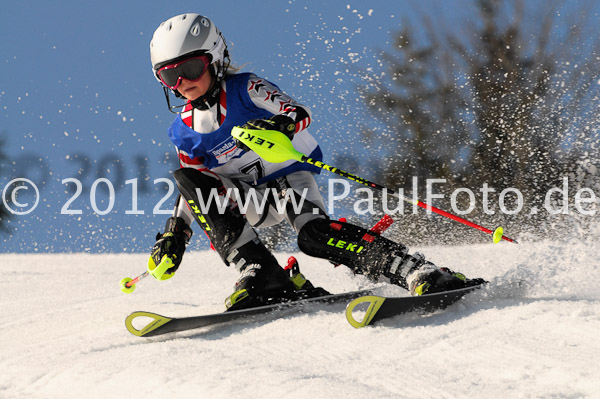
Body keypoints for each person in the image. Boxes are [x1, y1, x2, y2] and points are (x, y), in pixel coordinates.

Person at [148, 13, 483, 310]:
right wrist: (176, 233)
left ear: (216, 59)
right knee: (188, 178)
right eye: (168, 77)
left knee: (314, 236)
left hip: (289, 181)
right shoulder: (183, 132)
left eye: (189, 69)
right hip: (249, 197)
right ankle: (263, 274)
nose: (181, 83)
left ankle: (414, 270)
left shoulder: (245, 89)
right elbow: (195, 190)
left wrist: (281, 124)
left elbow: (298, 112)